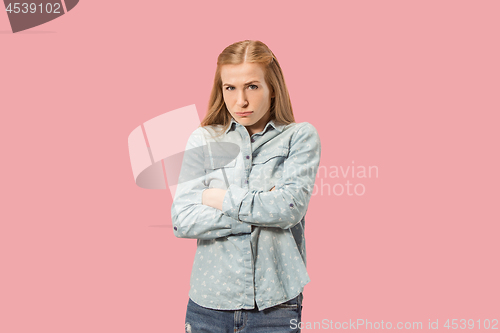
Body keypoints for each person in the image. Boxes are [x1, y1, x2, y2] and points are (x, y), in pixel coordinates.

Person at [171, 40, 321, 333]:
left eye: (252, 86)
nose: (240, 100)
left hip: (275, 307)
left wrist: (217, 197)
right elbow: (182, 220)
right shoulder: (203, 140)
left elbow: (289, 209)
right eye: (230, 88)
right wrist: (260, 209)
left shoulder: (299, 137)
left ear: (272, 88)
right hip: (208, 306)